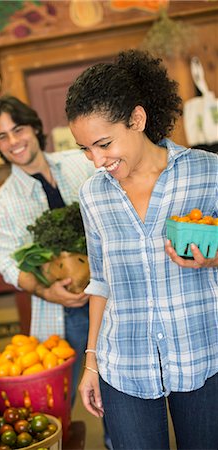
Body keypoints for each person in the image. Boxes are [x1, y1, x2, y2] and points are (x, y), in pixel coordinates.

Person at [65, 49, 218, 449]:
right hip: (125, 364)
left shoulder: (207, 172)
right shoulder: (93, 195)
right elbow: (100, 283)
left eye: (103, 143)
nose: (96, 160)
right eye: (85, 149)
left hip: (204, 353)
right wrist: (91, 364)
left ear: (137, 119)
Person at [0, 95, 94, 406]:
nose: (13, 141)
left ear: (34, 128)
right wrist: (48, 293)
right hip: (61, 312)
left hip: (109, 297)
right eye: (2, 136)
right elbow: (7, 265)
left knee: (115, 392)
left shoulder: (79, 163)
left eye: (18, 130)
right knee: (57, 402)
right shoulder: (3, 202)